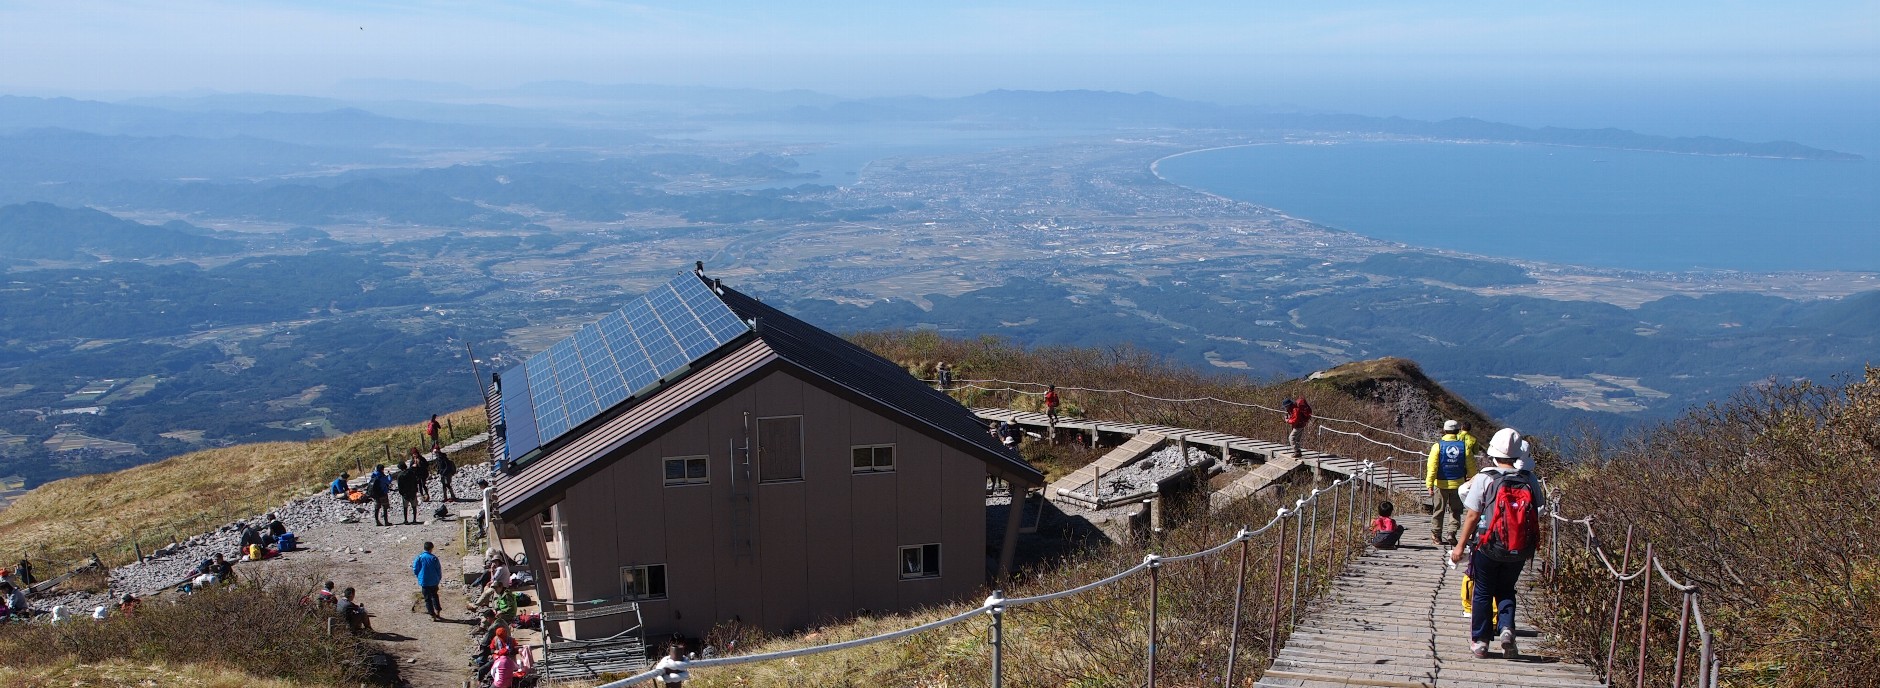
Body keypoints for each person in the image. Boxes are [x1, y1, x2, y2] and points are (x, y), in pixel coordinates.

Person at [1449, 427, 1545, 660]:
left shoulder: (1484, 478)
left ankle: (1481, 642)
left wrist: (1459, 546)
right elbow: (1539, 510)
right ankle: (1506, 630)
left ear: (1494, 451)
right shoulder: (1529, 479)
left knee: (1482, 590)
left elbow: (1472, 515)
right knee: (1506, 589)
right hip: (1519, 548)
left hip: (1488, 546)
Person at [1425, 419, 1478, 546]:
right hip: (1458, 484)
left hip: (1441, 483)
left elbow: (1432, 467)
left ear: (1444, 431)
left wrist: (1429, 484)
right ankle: (1451, 533)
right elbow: (1471, 466)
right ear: (1457, 431)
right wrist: (1473, 478)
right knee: (1456, 510)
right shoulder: (1464, 446)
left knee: (1438, 510)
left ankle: (1436, 535)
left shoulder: (1437, 446)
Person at [412, 541, 443, 620]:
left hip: (424, 582)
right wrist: (438, 578)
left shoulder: (420, 557)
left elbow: (415, 568)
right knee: (435, 596)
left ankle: (432, 615)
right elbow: (438, 569)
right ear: (431, 549)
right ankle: (438, 611)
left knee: (427, 599)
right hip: (434, 582)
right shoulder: (434, 558)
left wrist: (419, 576)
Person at [396, 459, 421, 525]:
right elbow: (416, 482)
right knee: (414, 507)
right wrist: (416, 490)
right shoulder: (411, 472)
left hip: (405, 494)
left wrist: (401, 493)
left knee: (405, 507)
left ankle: (406, 520)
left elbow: (399, 486)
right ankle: (414, 519)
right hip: (412, 492)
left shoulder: (400, 475)